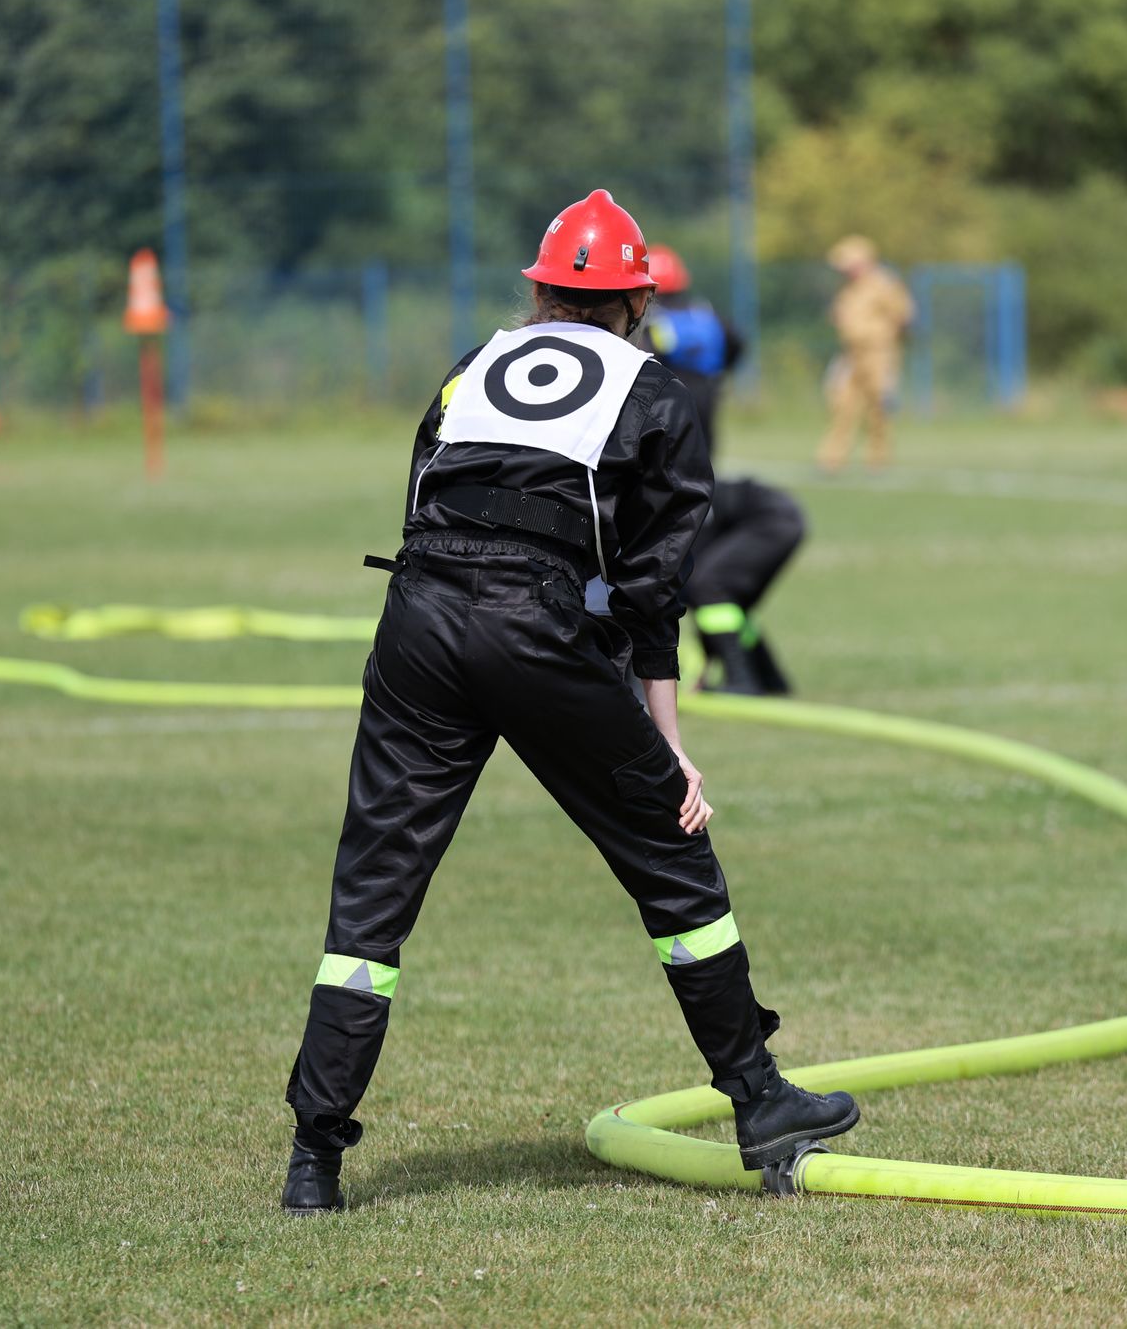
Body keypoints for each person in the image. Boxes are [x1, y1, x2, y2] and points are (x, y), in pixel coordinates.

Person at [280, 190, 858, 1213]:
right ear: (638, 300)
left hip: (417, 617)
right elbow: (654, 590)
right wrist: (668, 744)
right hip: (533, 627)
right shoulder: (653, 387)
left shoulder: (475, 363)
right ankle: (759, 1098)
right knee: (670, 853)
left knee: (373, 888)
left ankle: (313, 1158)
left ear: (540, 292)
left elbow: (422, 498)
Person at [642, 245, 804, 695]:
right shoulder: (711, 321)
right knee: (714, 583)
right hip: (703, 457)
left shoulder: (651, 329)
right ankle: (761, 675)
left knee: (704, 582)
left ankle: (741, 676)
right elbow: (737, 347)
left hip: (666, 460)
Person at [816, 235, 914, 473]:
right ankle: (832, 459)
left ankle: (877, 459)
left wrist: (890, 345)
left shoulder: (884, 284)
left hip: (879, 353)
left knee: (878, 408)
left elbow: (903, 315)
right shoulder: (848, 289)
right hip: (851, 353)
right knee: (841, 403)